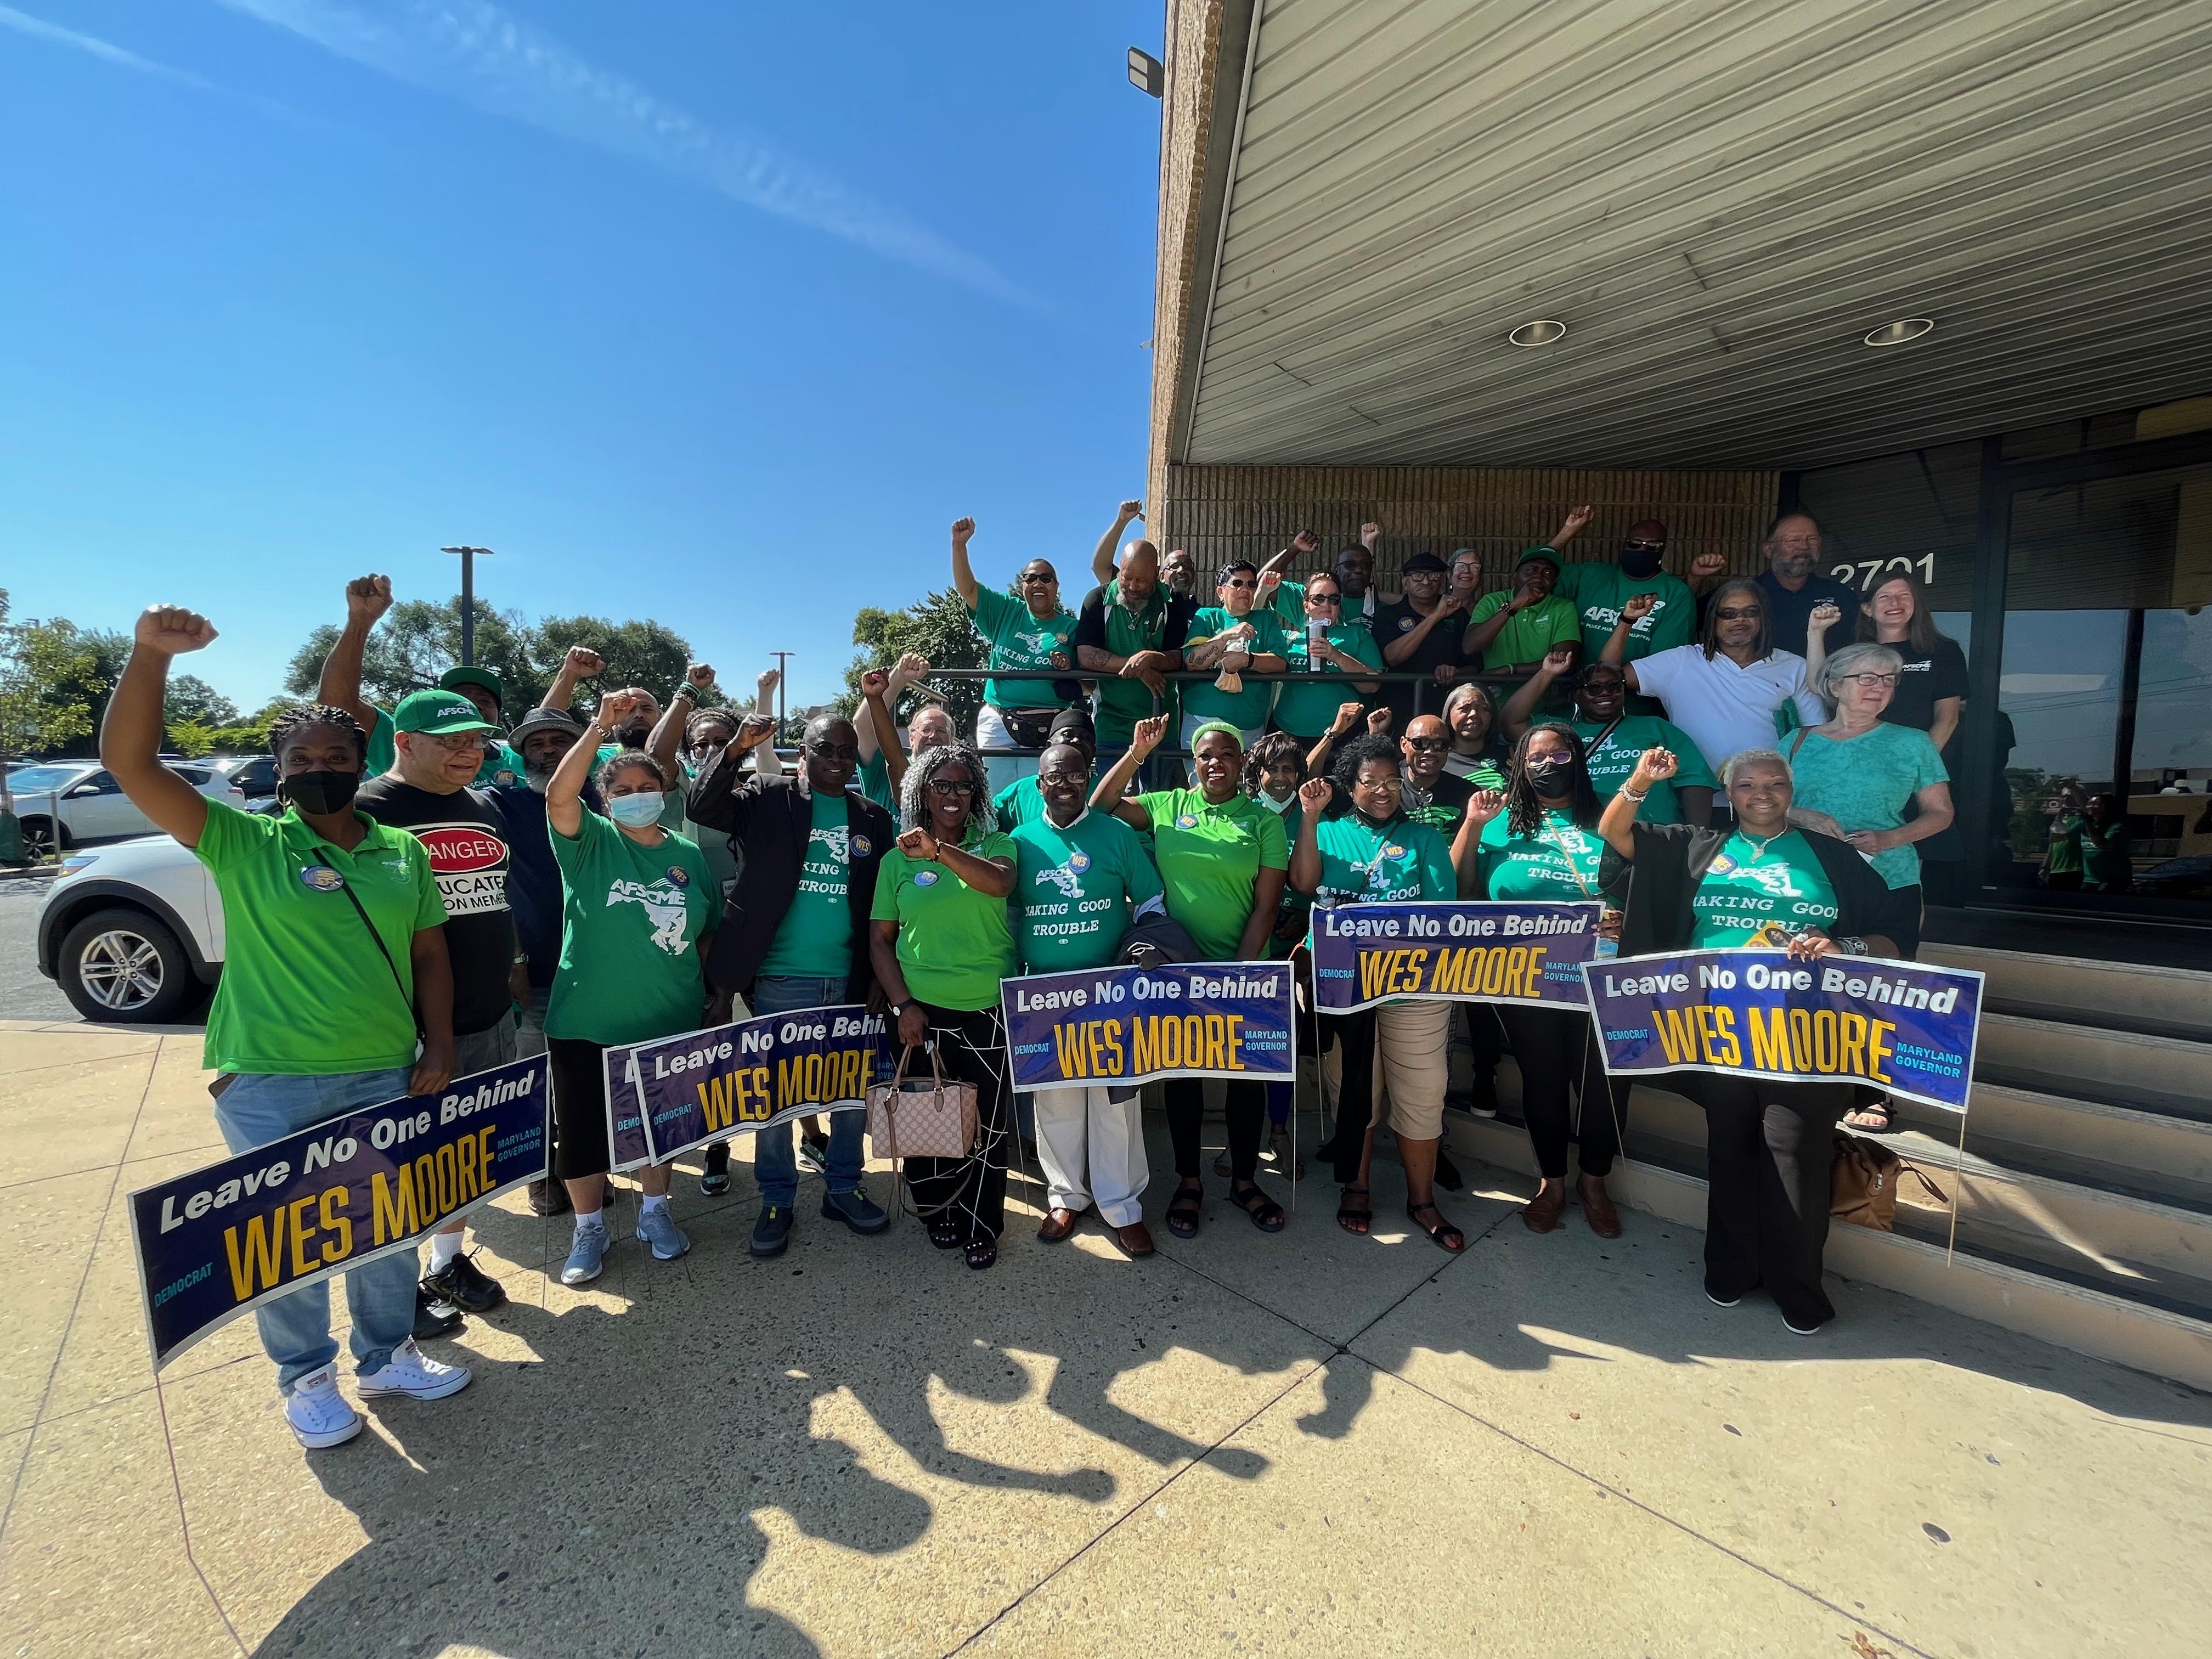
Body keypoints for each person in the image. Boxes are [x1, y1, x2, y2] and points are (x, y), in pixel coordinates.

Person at [101, 605, 469, 1449]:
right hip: (267, 1078)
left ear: (360, 764)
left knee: (384, 1229)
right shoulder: (242, 841)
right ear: (277, 771)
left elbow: (431, 959)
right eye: (300, 759)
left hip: (385, 1068)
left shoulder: (400, 853)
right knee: (289, 1241)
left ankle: (386, 1354)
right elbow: (129, 761)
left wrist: (439, 1045)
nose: (318, 769)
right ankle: (306, 1378)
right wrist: (148, 656)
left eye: (335, 758)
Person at [1598, 744, 1916, 1333]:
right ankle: (1730, 1270)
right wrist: (1642, 778)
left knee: (1795, 1153)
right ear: (1729, 793)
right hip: (1716, 1030)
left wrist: (1847, 947)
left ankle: (1798, 1287)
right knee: (1731, 1146)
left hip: (1809, 1034)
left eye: (1774, 784)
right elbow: (1614, 832)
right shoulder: (1697, 846)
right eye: (1747, 786)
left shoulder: (1831, 857)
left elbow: (1894, 933)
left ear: (1791, 792)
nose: (1762, 794)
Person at [684, 703, 896, 1251]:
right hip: (780, 980)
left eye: (846, 752)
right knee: (776, 1100)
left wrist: (879, 974)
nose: (835, 760)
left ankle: (844, 1187)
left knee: (851, 1096)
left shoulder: (872, 817)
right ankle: (777, 1196)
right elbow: (702, 804)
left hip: (850, 981)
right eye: (823, 749)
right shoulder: (767, 796)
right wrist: (734, 749)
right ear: (802, 751)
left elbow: (883, 903)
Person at [356, 687, 521, 1329]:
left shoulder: (483, 805)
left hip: (487, 1013)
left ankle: (445, 1262)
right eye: (452, 741)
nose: (469, 752)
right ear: (403, 741)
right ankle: (394, 1297)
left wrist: (514, 967)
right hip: (412, 1028)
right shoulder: (369, 809)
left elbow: (496, 896)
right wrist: (431, 1034)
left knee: (464, 1153)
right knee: (403, 1168)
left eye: (476, 740)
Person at [544, 691, 721, 1285]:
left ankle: (655, 1213)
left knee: (657, 1127)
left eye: (647, 786)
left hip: (666, 1019)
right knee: (586, 1134)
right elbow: (557, 796)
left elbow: (704, 932)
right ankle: (589, 1228)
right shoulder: (589, 841)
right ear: (605, 799)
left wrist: (699, 991)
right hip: (587, 1019)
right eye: (621, 791)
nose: (636, 797)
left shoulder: (689, 855)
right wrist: (600, 726)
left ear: (666, 792)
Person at [1091, 717, 1289, 1239]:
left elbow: (1267, 908)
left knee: (1247, 1081)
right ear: (1193, 762)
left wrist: (1235, 978)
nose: (1215, 762)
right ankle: (1189, 1181)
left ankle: (1245, 1180)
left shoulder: (1264, 821)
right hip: (1179, 972)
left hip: (1244, 972)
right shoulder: (1168, 806)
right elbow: (1102, 805)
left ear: (1242, 762)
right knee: (1183, 1078)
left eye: (1227, 753)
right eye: (1205, 754)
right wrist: (1137, 752)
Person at [1289, 735, 1465, 1251]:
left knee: (1424, 1091)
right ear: (1351, 785)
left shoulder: (1424, 839)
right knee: (1353, 1090)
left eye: (1393, 780)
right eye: (1371, 782)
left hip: (1416, 991)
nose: (1384, 791)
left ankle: (1423, 1200)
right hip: (1346, 993)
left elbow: (1439, 912)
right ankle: (1357, 1185)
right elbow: (1302, 884)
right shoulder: (1328, 832)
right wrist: (1307, 815)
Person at [1463, 726, 1634, 1237]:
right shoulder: (1500, 822)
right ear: (1518, 764)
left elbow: (1645, 882)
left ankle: (1595, 1181)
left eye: (1559, 754)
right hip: (1526, 976)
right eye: (1535, 757)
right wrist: (1472, 827)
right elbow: (1462, 885)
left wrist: (1626, 916)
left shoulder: (1609, 817)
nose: (1546, 764)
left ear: (1577, 760)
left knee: (1604, 1087)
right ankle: (1552, 1182)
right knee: (1543, 1080)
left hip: (1600, 974)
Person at [1781, 641, 1953, 1133]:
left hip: (1888, 879)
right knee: (1816, 980)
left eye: (1888, 680)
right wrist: (1799, 814)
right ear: (1835, 686)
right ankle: (1813, 1078)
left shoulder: (1911, 742)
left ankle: (1874, 1093)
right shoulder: (1795, 742)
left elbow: (1941, 814)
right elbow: (1757, 801)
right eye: (1867, 678)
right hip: (1813, 882)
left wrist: (1890, 837)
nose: (1879, 688)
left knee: (1877, 984)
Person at [1012, 741, 1165, 1257]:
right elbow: (1006, 917)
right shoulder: (1019, 841)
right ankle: (1066, 1197)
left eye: (1075, 775)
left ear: (1087, 778)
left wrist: (1145, 944)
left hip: (1111, 995)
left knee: (1114, 1103)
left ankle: (1122, 1207)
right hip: (1046, 996)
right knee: (1055, 1102)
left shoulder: (1117, 834)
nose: (1064, 783)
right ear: (1040, 785)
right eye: (1054, 776)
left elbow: (1150, 900)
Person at [868, 742, 1019, 1270]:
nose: (953, 795)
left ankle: (982, 1223)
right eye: (941, 785)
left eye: (963, 785)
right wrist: (903, 1003)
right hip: (920, 1011)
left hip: (986, 1008)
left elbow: (998, 883)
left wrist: (937, 851)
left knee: (985, 1125)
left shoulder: (998, 842)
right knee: (923, 1117)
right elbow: (881, 941)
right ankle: (938, 1212)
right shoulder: (894, 861)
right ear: (922, 792)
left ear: (976, 792)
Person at [484, 706, 594, 1215]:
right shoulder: (500, 803)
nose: (549, 750)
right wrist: (514, 957)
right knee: (534, 1080)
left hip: (596, 970)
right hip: (537, 968)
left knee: (583, 1080)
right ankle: (540, 1174)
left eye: (560, 741)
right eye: (537, 743)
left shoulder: (604, 798)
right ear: (522, 754)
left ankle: (583, 1167)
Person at [315, 575, 524, 788]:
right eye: (460, 698)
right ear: (406, 745)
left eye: (484, 700)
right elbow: (337, 707)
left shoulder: (520, 758)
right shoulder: (412, 743)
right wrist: (360, 622)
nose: (472, 705)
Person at [1607, 580, 1826, 777]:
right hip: (1695, 794)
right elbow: (1607, 675)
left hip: (1766, 795)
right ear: (1713, 620)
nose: (1740, 619)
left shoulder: (1795, 667)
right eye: (1728, 614)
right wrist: (1627, 622)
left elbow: (1814, 733)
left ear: (1764, 617)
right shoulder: (1682, 660)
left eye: (1750, 612)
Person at [1502, 648, 1716, 825]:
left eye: (1614, 686)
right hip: (1583, 831)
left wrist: (1697, 835)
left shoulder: (1655, 727)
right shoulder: (1559, 733)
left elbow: (1695, 779)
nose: (1605, 693)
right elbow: (1511, 721)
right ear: (1577, 695)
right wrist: (1547, 674)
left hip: (1651, 833)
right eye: (1594, 688)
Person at [951, 516, 1079, 787]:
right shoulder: (1006, 611)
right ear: (1022, 586)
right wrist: (959, 545)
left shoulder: (1072, 627)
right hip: (999, 719)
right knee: (995, 796)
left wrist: (1068, 669)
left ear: (1056, 586)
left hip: (1051, 724)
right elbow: (968, 590)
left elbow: (1088, 685)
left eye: (1046, 578)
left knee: (1038, 797)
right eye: (1030, 578)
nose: (1038, 584)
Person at [1073, 531, 1195, 783]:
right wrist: (1139, 667)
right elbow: (1086, 655)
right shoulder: (1097, 599)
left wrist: (1152, 658)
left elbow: (1178, 657)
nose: (1133, 587)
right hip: (1112, 721)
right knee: (1108, 797)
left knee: (1158, 804)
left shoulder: (1171, 604)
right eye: (1127, 578)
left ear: (1157, 573)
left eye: (1142, 580)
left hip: (1161, 721)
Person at [1535, 506, 1700, 675]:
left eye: (1653, 546)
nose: (1642, 550)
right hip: (1571, 691)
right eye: (1634, 544)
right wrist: (1567, 532)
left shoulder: (1676, 594)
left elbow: (1663, 663)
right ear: (1624, 544)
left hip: (1635, 697)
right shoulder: (1588, 576)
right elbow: (1532, 577)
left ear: (1663, 550)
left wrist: (1604, 686)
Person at [1692, 512, 1857, 661]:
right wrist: (1695, 578)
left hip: (1824, 687)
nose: (1804, 546)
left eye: (1812, 539)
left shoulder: (1840, 595)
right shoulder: (1744, 594)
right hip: (1758, 687)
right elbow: (1686, 619)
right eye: (1794, 540)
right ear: (1769, 550)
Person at [1178, 562, 1293, 753]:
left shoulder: (1266, 619)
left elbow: (1281, 663)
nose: (1245, 589)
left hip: (1249, 726)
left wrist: (1248, 660)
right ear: (1221, 592)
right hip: (1202, 722)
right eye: (1237, 584)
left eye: (1251, 585)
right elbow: (1192, 662)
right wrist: (1228, 635)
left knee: (1244, 784)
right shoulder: (1206, 616)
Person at [1269, 571, 1384, 741]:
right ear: (1306, 606)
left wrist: (1336, 656)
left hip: (1342, 732)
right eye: (1319, 599)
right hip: (1287, 730)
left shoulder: (1357, 636)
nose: (1326, 605)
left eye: (1333, 599)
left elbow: (1373, 685)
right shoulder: (1289, 639)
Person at [1374, 552, 1471, 729]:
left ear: (1442, 582)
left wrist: (1455, 672)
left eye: (1434, 576)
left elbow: (1475, 665)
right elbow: (1393, 657)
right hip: (1400, 705)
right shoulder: (1388, 614)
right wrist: (1436, 616)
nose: (1426, 582)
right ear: (1405, 583)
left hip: (1447, 705)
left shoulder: (1459, 615)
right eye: (1418, 576)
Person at [856, 654, 955, 814]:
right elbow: (864, 726)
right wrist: (900, 676)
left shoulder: (959, 780)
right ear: (911, 738)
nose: (933, 735)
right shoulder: (883, 768)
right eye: (926, 729)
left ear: (952, 741)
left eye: (942, 730)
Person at [1459, 546, 1582, 675]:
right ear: (1515, 577)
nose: (1538, 578)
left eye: (1548, 573)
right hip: (1493, 691)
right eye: (1531, 570)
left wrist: (1511, 669)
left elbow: (1565, 662)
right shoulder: (1492, 601)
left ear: (1554, 583)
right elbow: (1470, 647)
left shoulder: (1563, 608)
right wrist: (1514, 606)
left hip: (1542, 692)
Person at [993, 706, 1095, 830]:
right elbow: (986, 820)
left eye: (1086, 738)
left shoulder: (1106, 789)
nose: (1077, 740)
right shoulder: (1022, 790)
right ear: (1049, 746)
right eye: (1068, 734)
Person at [1440, 681, 1511, 786]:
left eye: (1483, 709)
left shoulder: (1510, 754)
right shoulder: (1439, 761)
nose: (1474, 714)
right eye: (1465, 709)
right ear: (1448, 715)